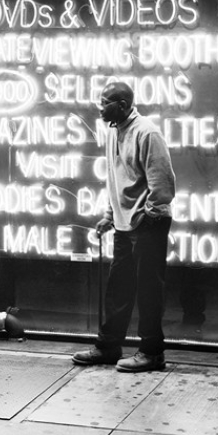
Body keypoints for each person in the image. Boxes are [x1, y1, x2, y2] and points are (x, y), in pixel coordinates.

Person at [73, 80, 176, 373]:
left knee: (148, 290)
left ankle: (152, 353)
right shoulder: (113, 131)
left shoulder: (147, 132)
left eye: (105, 101)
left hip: (148, 223)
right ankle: (108, 347)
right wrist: (110, 214)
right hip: (124, 224)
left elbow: (163, 183)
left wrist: (149, 215)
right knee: (119, 288)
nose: (99, 106)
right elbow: (115, 178)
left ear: (122, 104)